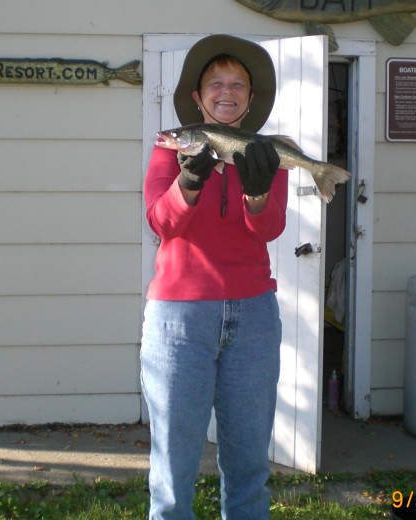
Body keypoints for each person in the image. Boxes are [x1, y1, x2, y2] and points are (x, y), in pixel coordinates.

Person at [141, 34, 288, 520]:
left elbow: (267, 229)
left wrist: (258, 192)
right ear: (197, 97)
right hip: (178, 320)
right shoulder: (170, 151)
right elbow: (160, 223)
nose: (227, 91)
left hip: (254, 317)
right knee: (173, 469)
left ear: (249, 98)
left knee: (248, 464)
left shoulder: (264, 154)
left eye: (238, 84)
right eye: (216, 83)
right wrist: (188, 181)